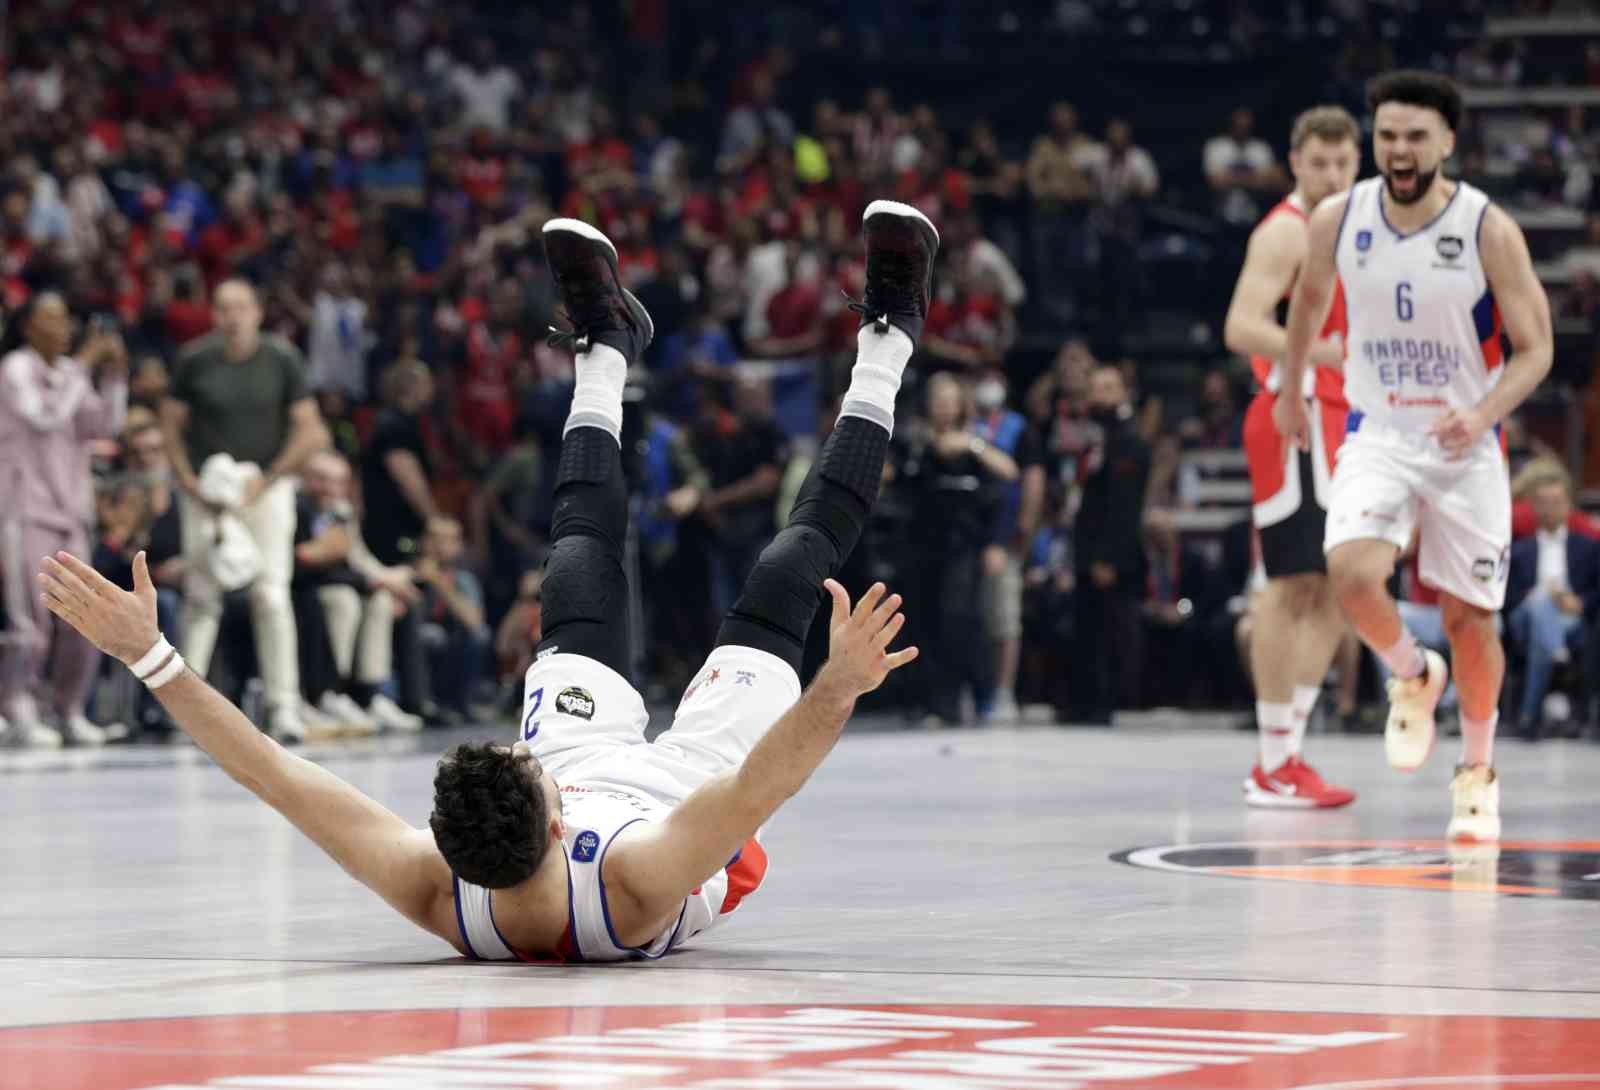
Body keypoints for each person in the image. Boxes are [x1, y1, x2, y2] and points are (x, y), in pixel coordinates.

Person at [39, 202, 932, 962]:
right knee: (788, 569)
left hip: (595, 768)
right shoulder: (632, 883)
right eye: (529, 770)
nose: (526, 753)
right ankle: (891, 334)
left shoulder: (437, 886)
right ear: (552, 825)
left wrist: (150, 656)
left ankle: (606, 346)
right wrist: (836, 684)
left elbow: (272, 773)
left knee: (578, 562)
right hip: (686, 800)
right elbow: (756, 792)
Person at [1276, 71, 1555, 843]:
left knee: (1471, 619)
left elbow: (1537, 351)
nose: (1399, 150)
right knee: (1352, 571)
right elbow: (1305, 303)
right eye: (1388, 135)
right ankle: (1410, 674)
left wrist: (1487, 411)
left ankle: (1476, 771)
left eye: (1415, 137)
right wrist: (1292, 389)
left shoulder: (1485, 228)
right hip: (1381, 429)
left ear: (1447, 143)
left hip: (1465, 444)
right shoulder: (1340, 216)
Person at [1222, 105, 1362, 809]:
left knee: (1340, 584)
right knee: (1289, 582)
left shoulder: (1358, 223)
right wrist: (1319, 353)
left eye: (1344, 163)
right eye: (1320, 162)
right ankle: (1273, 761)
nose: (1333, 174)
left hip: (1343, 418)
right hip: (1294, 411)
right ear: (1294, 162)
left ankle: (1285, 755)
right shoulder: (1284, 230)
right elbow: (1240, 325)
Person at [161, 278, 330, 742]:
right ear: (213, 315)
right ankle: (188, 712)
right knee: (201, 599)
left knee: (271, 595)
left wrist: (271, 476)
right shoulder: (194, 360)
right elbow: (170, 426)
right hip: (208, 491)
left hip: (264, 487)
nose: (231, 316)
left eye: (240, 307)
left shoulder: (282, 359)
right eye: (222, 307)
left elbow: (310, 429)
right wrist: (187, 480)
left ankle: (284, 707)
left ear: (258, 311)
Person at [0, 294, 128, 747]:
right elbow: (43, 417)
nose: (64, 324)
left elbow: (103, 426)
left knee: (80, 617)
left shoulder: (70, 375)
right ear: (28, 326)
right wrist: (83, 367)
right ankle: (20, 710)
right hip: (24, 510)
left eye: (65, 315)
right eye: (50, 316)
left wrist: (114, 375)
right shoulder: (15, 369)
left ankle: (68, 710)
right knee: (30, 621)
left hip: (71, 512)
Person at [1070, 365, 1150, 724]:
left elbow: (1124, 507)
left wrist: (1108, 559)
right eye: (1095, 386)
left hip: (1113, 555)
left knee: (1110, 629)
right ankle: (1085, 700)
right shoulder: (1094, 436)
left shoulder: (1130, 439)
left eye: (1108, 387)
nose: (1100, 393)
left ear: (1122, 392)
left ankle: (1108, 701)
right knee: (1087, 626)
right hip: (1086, 551)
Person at [1504, 466, 1600, 740]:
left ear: (1568, 505)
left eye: (1556, 502)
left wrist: (1580, 603)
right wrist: (1540, 598)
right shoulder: (1519, 550)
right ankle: (1558, 654)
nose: (1549, 509)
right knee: (1540, 604)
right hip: (1526, 615)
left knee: (1540, 640)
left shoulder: (1589, 547)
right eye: (1543, 503)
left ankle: (1528, 718)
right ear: (1533, 507)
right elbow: (1507, 598)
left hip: (1572, 618)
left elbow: (1596, 591)